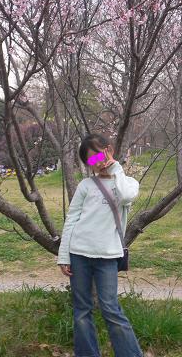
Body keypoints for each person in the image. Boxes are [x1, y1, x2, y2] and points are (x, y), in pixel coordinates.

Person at [57, 133, 143, 357]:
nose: (96, 163)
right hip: (79, 253)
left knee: (110, 308)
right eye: (90, 161)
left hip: (107, 256)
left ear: (109, 150)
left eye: (98, 156)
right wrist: (63, 255)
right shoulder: (86, 186)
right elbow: (72, 219)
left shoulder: (127, 183)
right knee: (82, 311)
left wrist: (115, 168)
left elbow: (125, 196)